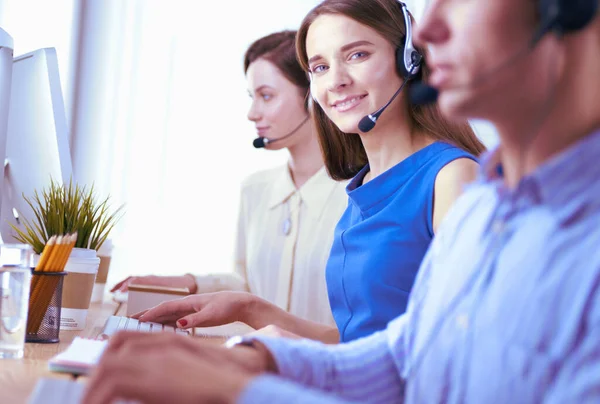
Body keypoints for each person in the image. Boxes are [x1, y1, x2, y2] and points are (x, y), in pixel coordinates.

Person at [81, 0, 600, 402]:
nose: (430, 28)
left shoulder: (463, 185)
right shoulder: (489, 205)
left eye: (462, 0)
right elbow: (405, 356)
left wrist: (239, 390)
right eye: (319, 66)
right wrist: (255, 359)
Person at [135, 0, 485, 343]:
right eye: (320, 67)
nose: (336, 81)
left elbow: (460, 347)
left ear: (409, 60)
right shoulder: (364, 185)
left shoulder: (452, 178)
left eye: (357, 55)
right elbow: (355, 343)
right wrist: (247, 308)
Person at [111, 30, 349, 328]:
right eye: (252, 97)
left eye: (266, 96)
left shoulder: (359, 194)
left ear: (313, 95)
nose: (252, 113)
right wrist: (187, 283)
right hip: (251, 362)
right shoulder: (256, 189)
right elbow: (247, 286)